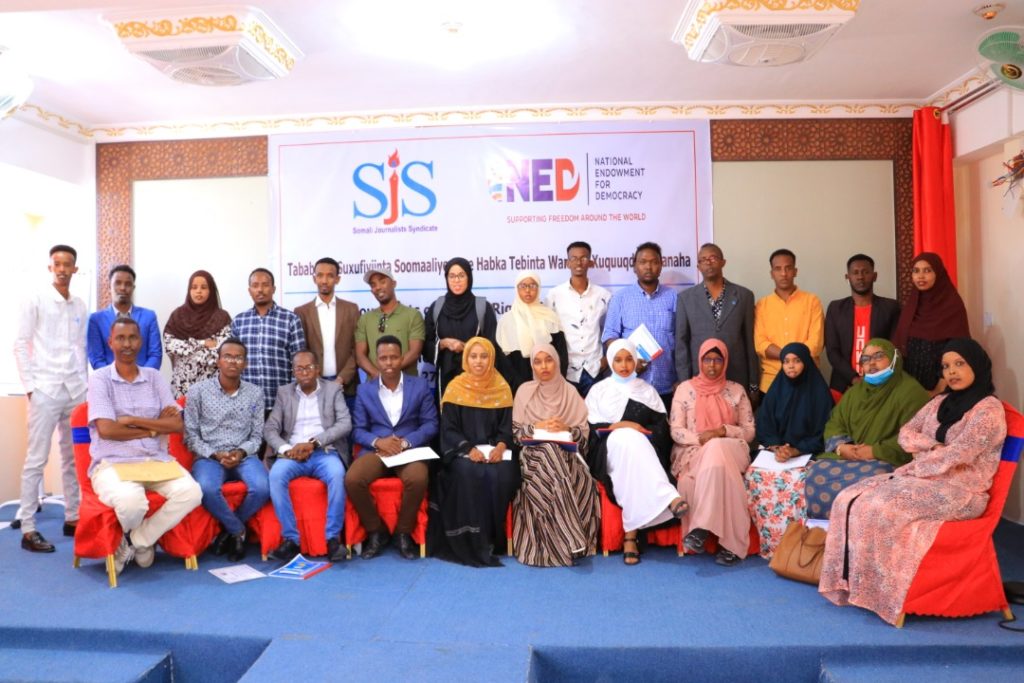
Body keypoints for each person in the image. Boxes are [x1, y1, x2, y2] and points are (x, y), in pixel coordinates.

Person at [819, 338, 1006, 625]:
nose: (952, 372)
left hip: (962, 491)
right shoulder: (940, 402)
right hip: (924, 480)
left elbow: (960, 454)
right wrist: (931, 448)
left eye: (959, 364)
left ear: (977, 366)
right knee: (849, 497)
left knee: (883, 506)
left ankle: (884, 594)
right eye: (946, 367)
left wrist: (924, 458)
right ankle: (858, 585)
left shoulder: (988, 410)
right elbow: (907, 434)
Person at [86, 318, 203, 574]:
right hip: (113, 464)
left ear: (141, 341)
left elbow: (176, 425)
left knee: (192, 493)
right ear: (111, 342)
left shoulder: (154, 377)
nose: (127, 344)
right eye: (121, 338)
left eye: (133, 338)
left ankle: (136, 540)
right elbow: (107, 430)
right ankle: (141, 541)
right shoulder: (100, 379)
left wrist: (132, 422)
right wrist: (153, 427)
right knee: (132, 503)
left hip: (156, 460)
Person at [585, 339, 687, 565]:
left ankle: (630, 536)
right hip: (606, 451)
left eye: (629, 358)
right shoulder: (598, 390)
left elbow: (662, 430)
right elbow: (591, 432)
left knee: (633, 450)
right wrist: (626, 427)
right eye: (618, 360)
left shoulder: (647, 391)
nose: (624, 365)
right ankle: (669, 497)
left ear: (636, 361)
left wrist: (639, 432)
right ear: (610, 361)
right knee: (627, 437)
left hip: (644, 451)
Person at [14, 245, 88, 552]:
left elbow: (80, 349)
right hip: (45, 389)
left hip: (75, 390)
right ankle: (29, 528)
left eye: (67, 264)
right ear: (50, 268)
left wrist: (85, 385)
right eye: (56, 263)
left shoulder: (81, 305)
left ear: (74, 269)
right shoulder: (36, 300)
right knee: (36, 459)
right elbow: (20, 344)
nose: (61, 268)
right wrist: (32, 388)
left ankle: (73, 517)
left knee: (74, 458)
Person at [804, 338, 929, 519]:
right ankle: (825, 535)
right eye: (865, 359)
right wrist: (842, 447)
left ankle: (857, 538)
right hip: (849, 456)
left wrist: (875, 451)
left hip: (884, 459)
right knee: (815, 474)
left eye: (878, 356)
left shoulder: (911, 392)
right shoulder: (855, 392)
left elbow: (915, 435)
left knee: (871, 482)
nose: (871, 363)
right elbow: (835, 422)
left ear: (895, 359)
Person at [429, 337, 520, 567]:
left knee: (505, 473)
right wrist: (468, 449)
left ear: (491, 359)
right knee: (470, 472)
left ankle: (493, 539)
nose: (478, 361)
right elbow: (448, 430)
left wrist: (500, 446)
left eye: (484, 356)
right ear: (466, 359)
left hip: (495, 452)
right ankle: (472, 541)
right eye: (473, 356)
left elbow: (506, 428)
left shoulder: (502, 388)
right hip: (462, 454)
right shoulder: (455, 388)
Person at [347, 336, 438, 560]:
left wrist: (406, 443)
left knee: (417, 478)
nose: (389, 363)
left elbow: (431, 424)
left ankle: (403, 533)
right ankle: (376, 532)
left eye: (394, 357)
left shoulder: (419, 386)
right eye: (383, 358)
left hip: (409, 449)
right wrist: (379, 442)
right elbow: (357, 429)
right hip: (378, 450)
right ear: (376, 360)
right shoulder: (365, 390)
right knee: (352, 479)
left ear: (402, 358)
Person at [511, 344, 600, 567]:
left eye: (548, 360)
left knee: (569, 466)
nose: (544, 367)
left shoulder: (570, 391)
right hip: (533, 458)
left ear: (557, 362)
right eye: (538, 362)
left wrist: (567, 429)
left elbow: (584, 437)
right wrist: (536, 427)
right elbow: (515, 434)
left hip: (568, 457)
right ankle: (573, 536)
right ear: (532, 365)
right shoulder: (524, 391)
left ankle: (568, 536)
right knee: (549, 451)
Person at [669, 339, 755, 566]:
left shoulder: (737, 390)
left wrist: (721, 431)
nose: (713, 365)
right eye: (708, 359)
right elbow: (676, 431)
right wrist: (701, 439)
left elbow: (749, 431)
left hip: (732, 448)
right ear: (700, 361)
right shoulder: (685, 390)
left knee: (716, 447)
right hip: (694, 449)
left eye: (718, 360)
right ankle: (731, 546)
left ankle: (701, 527)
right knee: (718, 466)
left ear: (725, 362)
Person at [744, 342, 833, 558]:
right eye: (786, 362)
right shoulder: (776, 389)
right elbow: (764, 424)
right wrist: (777, 447)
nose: (791, 366)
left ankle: (796, 549)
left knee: (798, 482)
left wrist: (796, 450)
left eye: (797, 361)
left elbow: (825, 434)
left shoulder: (819, 393)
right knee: (755, 476)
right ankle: (771, 545)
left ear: (806, 363)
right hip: (777, 455)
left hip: (806, 456)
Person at [183, 338, 268, 562]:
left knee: (262, 487)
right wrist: (213, 454)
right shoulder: (197, 392)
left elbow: (257, 436)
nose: (233, 361)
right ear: (218, 361)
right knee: (206, 488)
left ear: (245, 364)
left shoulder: (255, 393)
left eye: (238, 357)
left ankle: (226, 532)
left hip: (244, 455)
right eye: (227, 357)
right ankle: (238, 530)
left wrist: (240, 452)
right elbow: (190, 435)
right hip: (209, 456)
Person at [264, 350, 352, 563]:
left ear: (317, 369)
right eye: (299, 368)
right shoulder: (284, 393)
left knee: (337, 475)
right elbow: (270, 429)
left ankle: (332, 539)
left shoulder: (332, 390)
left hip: (324, 451)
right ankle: (291, 540)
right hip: (292, 454)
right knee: (276, 477)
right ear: (293, 371)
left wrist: (314, 442)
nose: (304, 372)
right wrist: (286, 449)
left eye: (308, 368)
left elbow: (345, 423)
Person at [675, 243, 759, 400]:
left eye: (713, 258)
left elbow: (750, 342)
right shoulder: (685, 298)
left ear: (723, 262)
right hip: (699, 378)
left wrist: (753, 384)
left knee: (734, 424)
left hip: (736, 376)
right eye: (703, 259)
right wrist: (684, 383)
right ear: (698, 266)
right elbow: (681, 344)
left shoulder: (744, 296)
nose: (708, 262)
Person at [602, 242, 677, 407]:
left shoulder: (673, 297)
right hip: (630, 385)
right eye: (643, 262)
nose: (648, 266)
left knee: (664, 432)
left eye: (654, 262)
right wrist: (628, 360)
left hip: (667, 385)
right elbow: (609, 336)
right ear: (634, 266)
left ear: (661, 265)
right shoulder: (621, 298)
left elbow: (681, 339)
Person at [231, 268, 306, 415]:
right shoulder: (239, 321)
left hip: (280, 403)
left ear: (273, 288)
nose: (260, 289)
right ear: (249, 290)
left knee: (278, 439)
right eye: (255, 285)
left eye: (265, 285)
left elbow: (299, 361)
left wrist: (291, 398)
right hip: (246, 405)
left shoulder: (290, 319)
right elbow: (233, 362)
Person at [892, 252, 970, 395]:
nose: (921, 276)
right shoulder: (911, 306)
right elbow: (900, 348)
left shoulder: (952, 306)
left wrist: (938, 390)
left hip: (943, 386)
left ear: (938, 273)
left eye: (927, 270)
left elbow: (958, 351)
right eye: (916, 271)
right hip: (910, 386)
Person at [424, 257, 499, 399]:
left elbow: (492, 347)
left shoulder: (483, 307)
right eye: (452, 276)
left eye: (461, 275)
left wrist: (469, 348)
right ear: (446, 278)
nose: (456, 280)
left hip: (477, 379)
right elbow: (425, 346)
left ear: (469, 277)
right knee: (449, 417)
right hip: (446, 379)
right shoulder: (437, 307)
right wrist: (444, 344)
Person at [824, 254, 901, 394]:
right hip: (843, 386)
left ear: (875, 276)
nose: (860, 277)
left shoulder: (891, 307)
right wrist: (854, 379)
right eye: (855, 272)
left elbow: (894, 348)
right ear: (847, 277)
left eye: (865, 272)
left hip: (881, 384)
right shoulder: (836, 308)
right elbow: (832, 351)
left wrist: (875, 378)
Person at [754, 249, 824, 393]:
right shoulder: (762, 305)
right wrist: (791, 359)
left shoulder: (812, 301)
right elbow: (760, 344)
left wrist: (789, 360)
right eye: (778, 269)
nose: (784, 273)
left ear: (795, 271)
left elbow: (816, 343)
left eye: (788, 268)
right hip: (771, 383)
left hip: (807, 380)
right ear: (772, 273)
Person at [546, 241, 611, 396]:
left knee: (595, 418)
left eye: (583, 258)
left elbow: (612, 330)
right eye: (573, 258)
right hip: (566, 370)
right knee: (568, 418)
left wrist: (606, 359)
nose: (578, 262)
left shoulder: (603, 295)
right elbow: (548, 332)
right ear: (568, 263)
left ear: (590, 262)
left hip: (595, 369)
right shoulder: (554, 295)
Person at [295, 257, 360, 409]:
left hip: (346, 386)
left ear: (337, 279)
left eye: (330, 276)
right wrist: (315, 377)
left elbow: (356, 349)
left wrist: (341, 379)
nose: (324, 280)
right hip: (313, 385)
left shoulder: (351, 309)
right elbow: (301, 350)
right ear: (314, 278)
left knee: (348, 431)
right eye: (320, 275)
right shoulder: (301, 312)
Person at [163, 270, 232, 398]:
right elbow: (170, 345)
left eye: (204, 287)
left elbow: (221, 352)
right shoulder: (178, 316)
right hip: (182, 387)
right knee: (182, 417)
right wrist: (203, 343)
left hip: (212, 386)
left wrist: (186, 352)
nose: (198, 291)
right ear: (189, 290)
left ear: (211, 291)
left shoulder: (221, 318)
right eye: (194, 287)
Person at [496, 270, 567, 393]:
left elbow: (561, 354)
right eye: (523, 286)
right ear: (516, 289)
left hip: (549, 386)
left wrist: (553, 382)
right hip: (517, 388)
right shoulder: (506, 321)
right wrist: (519, 386)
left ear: (538, 288)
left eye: (532, 286)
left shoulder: (550, 317)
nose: (528, 290)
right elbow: (503, 362)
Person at [87, 265, 162, 370]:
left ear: (133, 288)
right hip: (109, 382)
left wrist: (141, 379)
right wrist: (114, 380)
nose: (123, 288)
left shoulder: (149, 317)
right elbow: (97, 359)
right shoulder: (96, 320)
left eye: (128, 284)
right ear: (109, 287)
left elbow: (155, 355)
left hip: (144, 382)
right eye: (118, 283)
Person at [354, 267, 425, 379]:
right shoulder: (365, 319)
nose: (378, 287)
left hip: (406, 386)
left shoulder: (413, 315)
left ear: (394, 283)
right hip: (374, 386)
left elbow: (414, 352)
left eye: (382, 281)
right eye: (373, 285)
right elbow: (360, 356)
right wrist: (378, 376)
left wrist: (389, 372)